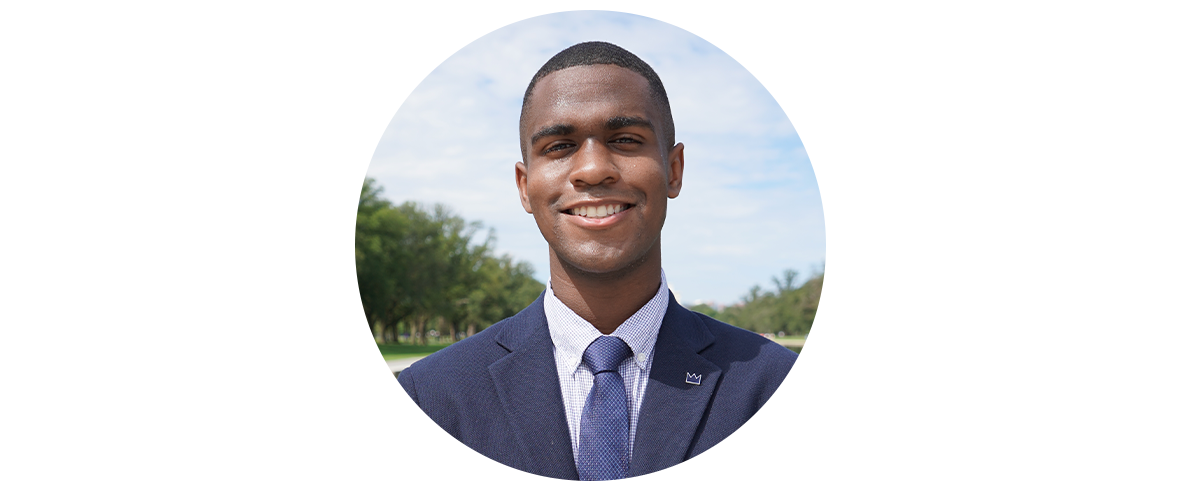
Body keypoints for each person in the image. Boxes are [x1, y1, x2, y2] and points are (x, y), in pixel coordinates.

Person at [398, 41, 797, 481]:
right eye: (559, 145)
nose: (592, 169)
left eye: (625, 140)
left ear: (674, 169)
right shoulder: (428, 398)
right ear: (524, 186)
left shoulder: (778, 387)